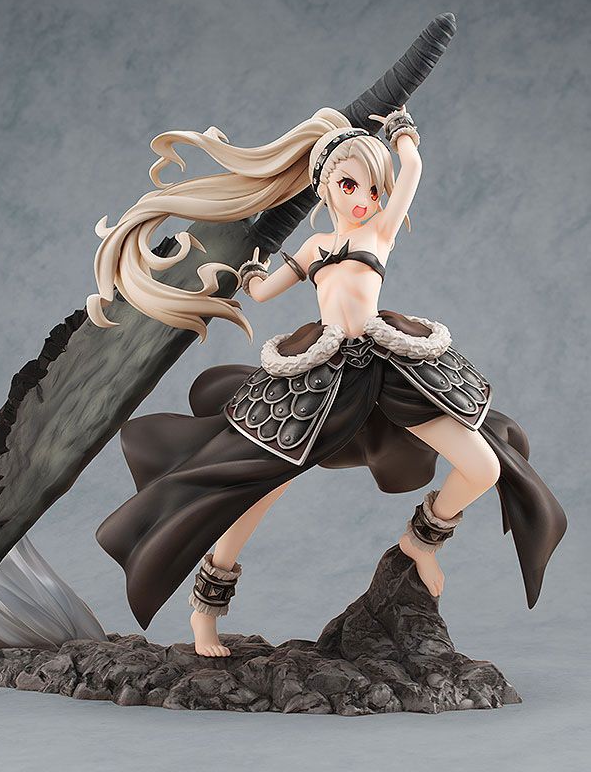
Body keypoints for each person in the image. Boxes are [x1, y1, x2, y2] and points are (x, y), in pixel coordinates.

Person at [87, 106, 567, 657]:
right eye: (349, 184)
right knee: (258, 488)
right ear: (324, 187)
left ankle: (421, 541)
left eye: (373, 187)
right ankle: (205, 609)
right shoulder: (314, 248)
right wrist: (244, 270)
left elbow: (412, 172)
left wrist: (403, 133)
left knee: (483, 466)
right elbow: (262, 291)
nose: (364, 198)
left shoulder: (380, 231)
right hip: (321, 379)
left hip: (389, 370)